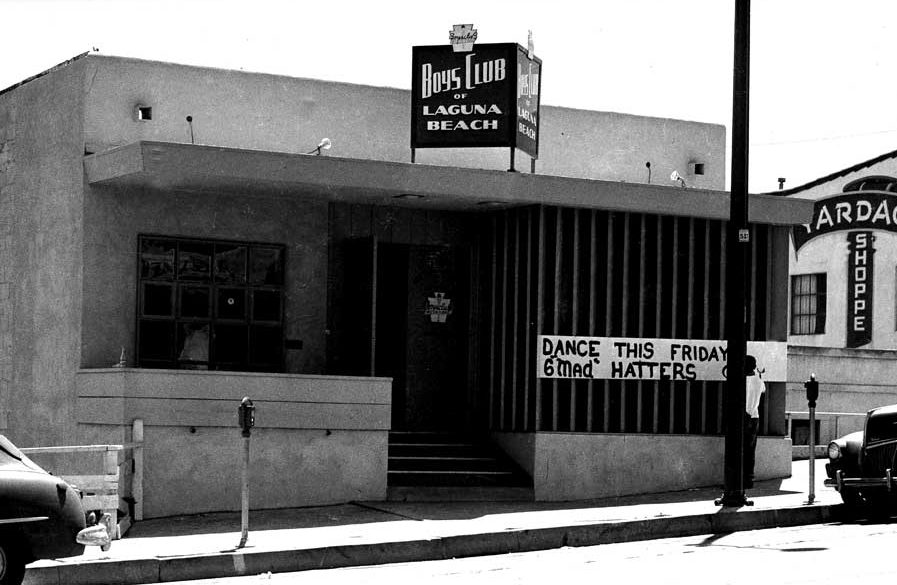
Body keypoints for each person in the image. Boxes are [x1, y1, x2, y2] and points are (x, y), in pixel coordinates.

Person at [744, 354, 765, 488]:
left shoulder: (743, 380)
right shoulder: (758, 381)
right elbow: (763, 390)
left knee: (739, 449)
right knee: (750, 450)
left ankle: (739, 479)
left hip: (744, 416)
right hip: (754, 416)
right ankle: (748, 479)